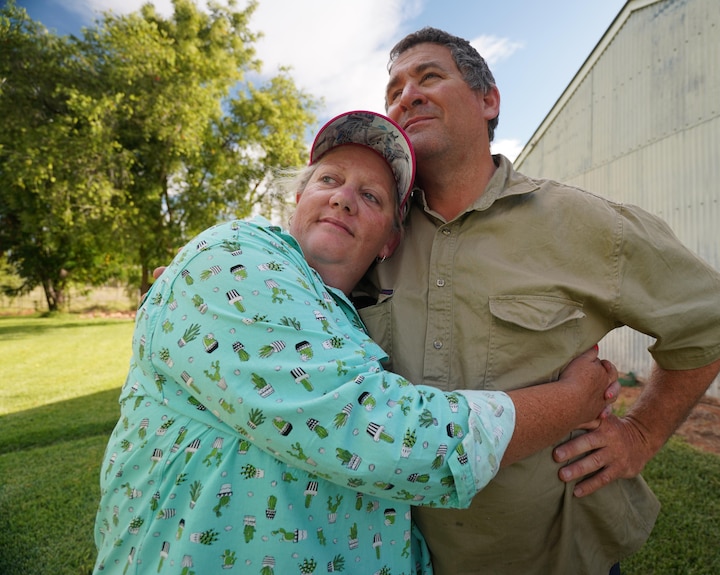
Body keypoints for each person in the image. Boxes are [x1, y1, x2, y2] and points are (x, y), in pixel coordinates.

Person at [92, 110, 621, 575]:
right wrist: (573, 401)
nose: (343, 198)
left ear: (391, 238)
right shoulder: (233, 252)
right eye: (329, 179)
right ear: (298, 200)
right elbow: (381, 436)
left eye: (370, 196)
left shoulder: (350, 322)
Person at [353, 27, 720, 574]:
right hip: (403, 556)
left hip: (557, 555)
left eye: (429, 76)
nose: (407, 96)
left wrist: (640, 434)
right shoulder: (371, 237)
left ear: (488, 99)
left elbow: (708, 323)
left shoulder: (585, 223)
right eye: (394, 91)